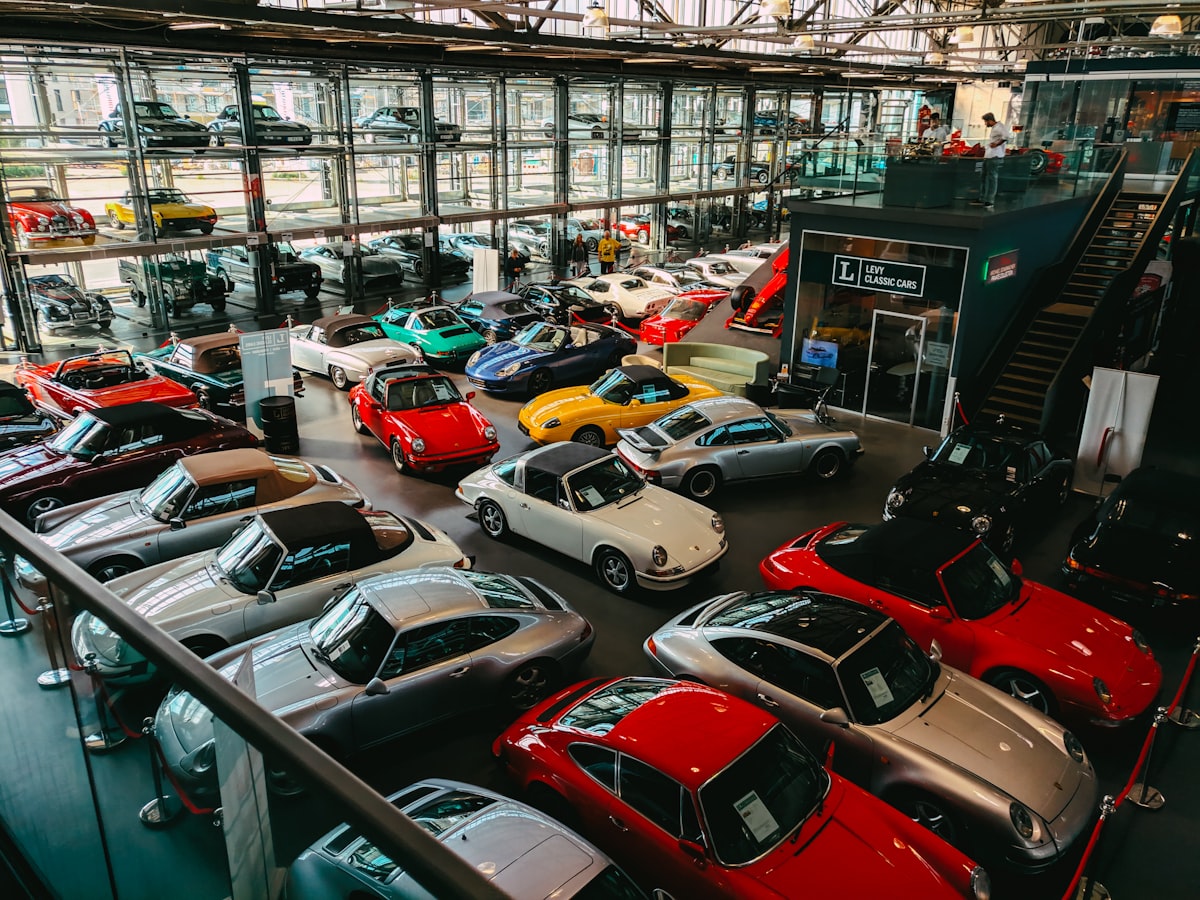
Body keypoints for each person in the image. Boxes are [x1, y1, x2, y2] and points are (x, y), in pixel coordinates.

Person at [974, 112, 1011, 210]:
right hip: (989, 156)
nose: (985, 124)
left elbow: (1006, 136)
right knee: (984, 177)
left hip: (995, 156)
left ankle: (990, 200)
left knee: (992, 179)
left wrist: (997, 144)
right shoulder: (995, 128)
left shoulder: (1000, 127)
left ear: (990, 120)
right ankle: (982, 198)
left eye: (986, 122)